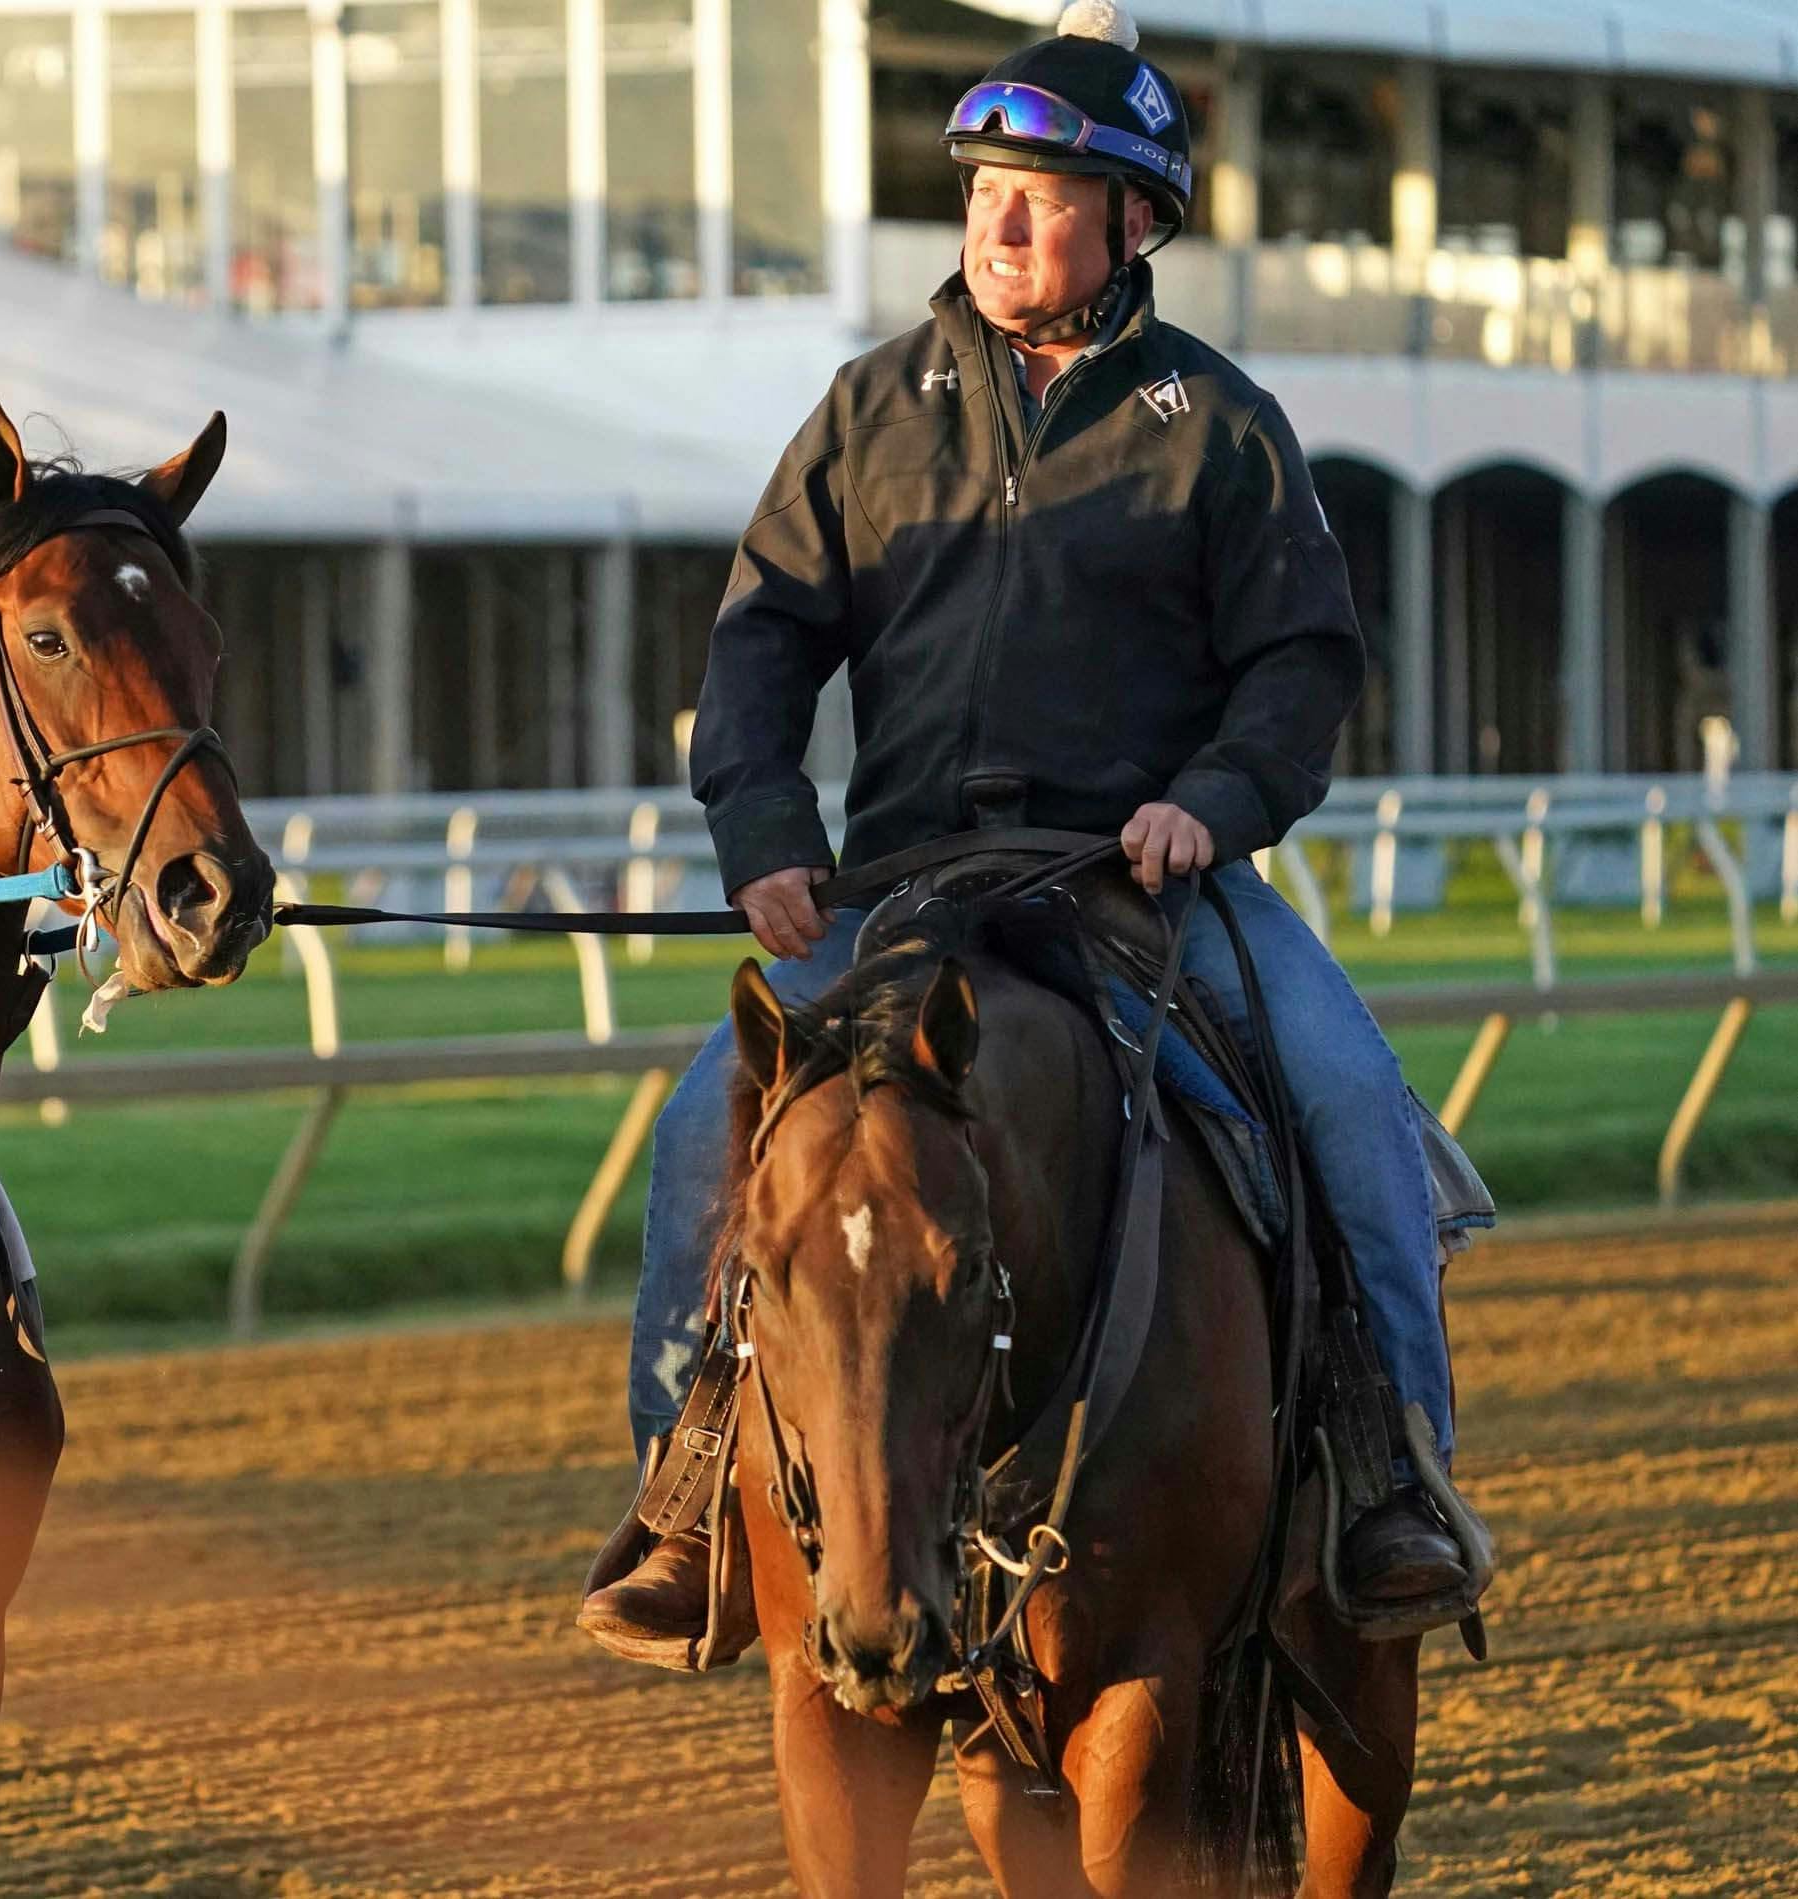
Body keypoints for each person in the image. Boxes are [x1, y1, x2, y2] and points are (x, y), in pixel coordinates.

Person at [577, 0, 1481, 1663]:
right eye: (981, 185)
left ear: (1131, 220)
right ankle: (682, 1495)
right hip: (905, 881)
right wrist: (763, 824)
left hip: (1138, 883)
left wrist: (1205, 802)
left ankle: (1387, 1476)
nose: (996, 218)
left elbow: (1300, 664)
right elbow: (759, 639)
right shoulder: (866, 408)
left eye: (1038, 192)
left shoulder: (1217, 425)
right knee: (708, 1123)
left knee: (1349, 1098)